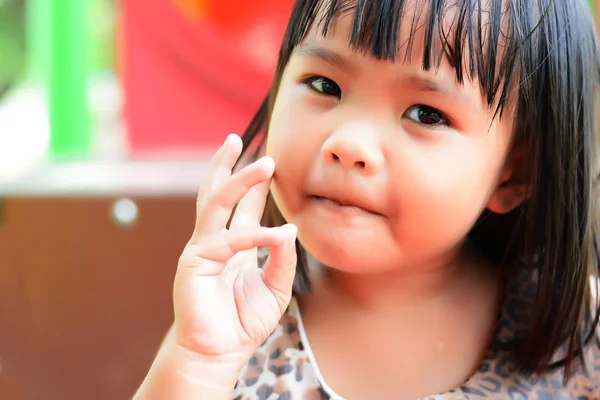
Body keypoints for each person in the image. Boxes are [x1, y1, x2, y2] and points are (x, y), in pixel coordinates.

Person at [133, 0, 600, 398]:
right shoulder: (235, 313)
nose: (349, 143)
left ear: (514, 174)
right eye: (325, 85)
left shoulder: (575, 338)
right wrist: (198, 361)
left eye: (425, 114)